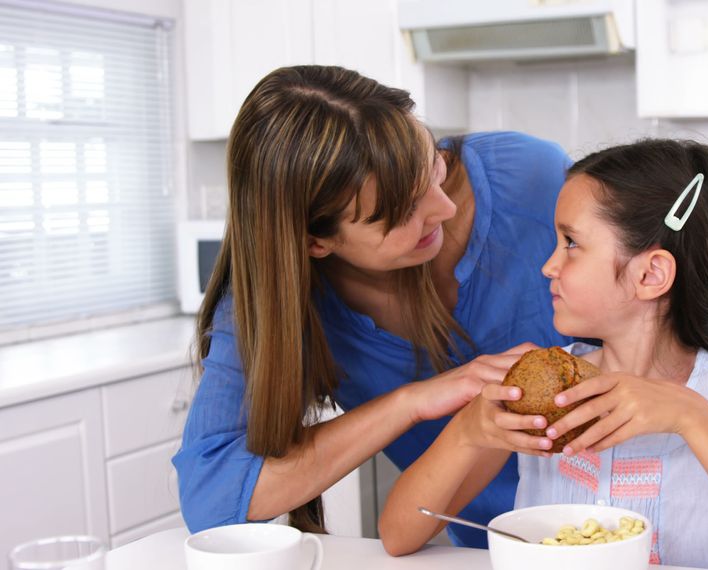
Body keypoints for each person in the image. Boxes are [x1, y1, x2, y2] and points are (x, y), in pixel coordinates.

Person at [378, 139, 708, 569]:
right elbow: (399, 536)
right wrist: (465, 432)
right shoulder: (537, 395)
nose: (548, 265)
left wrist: (694, 419)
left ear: (651, 273)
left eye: (571, 244)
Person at [171, 65, 574, 547]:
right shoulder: (277, 301)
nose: (443, 207)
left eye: (433, 167)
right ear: (316, 242)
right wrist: (410, 402)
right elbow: (211, 499)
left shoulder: (533, 177)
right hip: (490, 552)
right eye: (404, 210)